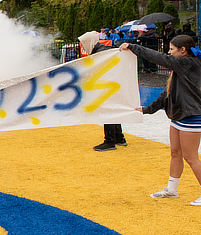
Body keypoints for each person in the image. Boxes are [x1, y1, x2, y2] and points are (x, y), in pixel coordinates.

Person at [121, 35, 201, 205]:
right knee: (175, 153)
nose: (169, 52)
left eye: (172, 49)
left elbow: (159, 58)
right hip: (179, 115)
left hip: (192, 116)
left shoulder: (188, 64)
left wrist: (134, 47)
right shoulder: (181, 67)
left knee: (191, 157)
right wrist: (148, 109)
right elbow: (168, 92)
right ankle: (172, 190)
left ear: (183, 50)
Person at [78, 31, 127, 151]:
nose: (83, 47)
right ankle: (119, 137)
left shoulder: (100, 53)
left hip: (108, 85)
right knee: (113, 109)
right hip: (114, 84)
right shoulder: (103, 50)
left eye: (83, 44)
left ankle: (109, 141)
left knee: (107, 110)